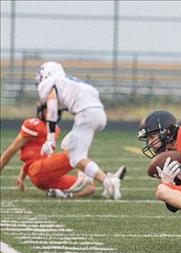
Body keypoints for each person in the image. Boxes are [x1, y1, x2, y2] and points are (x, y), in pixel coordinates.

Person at [35, 61, 126, 200]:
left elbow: (52, 110)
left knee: (76, 158)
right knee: (67, 144)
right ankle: (84, 178)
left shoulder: (52, 83)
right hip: (99, 114)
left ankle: (108, 181)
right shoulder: (69, 82)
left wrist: (50, 138)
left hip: (86, 114)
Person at [0, 103, 95, 198]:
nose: (53, 114)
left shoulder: (55, 130)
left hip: (45, 176)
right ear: (41, 111)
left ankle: (66, 195)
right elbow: (12, 150)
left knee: (90, 187)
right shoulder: (33, 125)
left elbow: (35, 154)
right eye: (48, 111)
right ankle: (102, 178)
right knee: (74, 153)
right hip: (37, 170)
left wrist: (21, 177)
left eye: (56, 112)